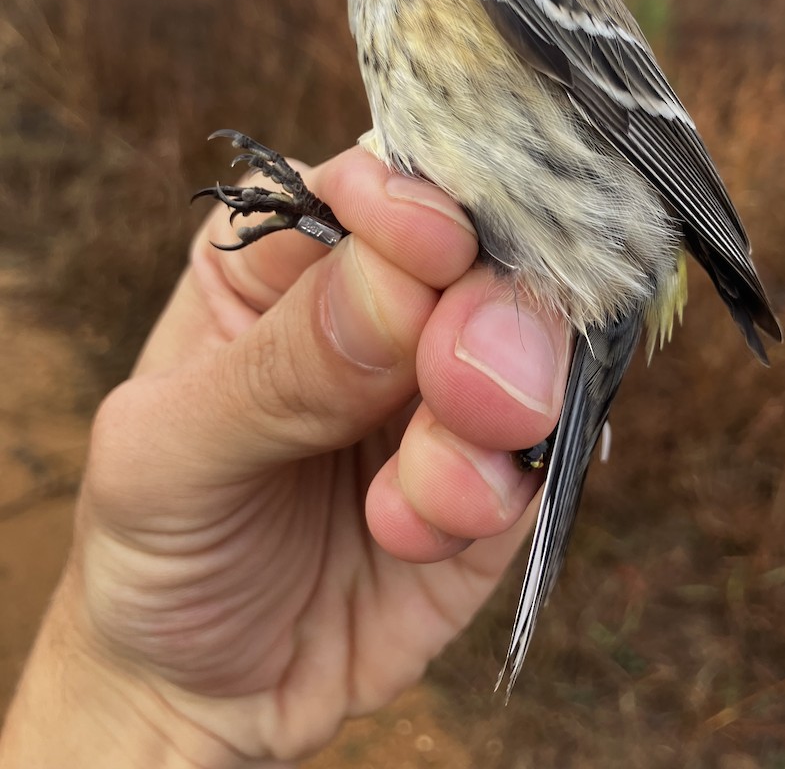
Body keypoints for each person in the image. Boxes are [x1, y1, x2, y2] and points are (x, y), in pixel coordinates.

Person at [0, 146, 569, 768]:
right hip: (520, 247)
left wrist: (147, 701)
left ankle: (544, 436)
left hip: (575, 240)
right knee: (421, 264)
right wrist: (143, 691)